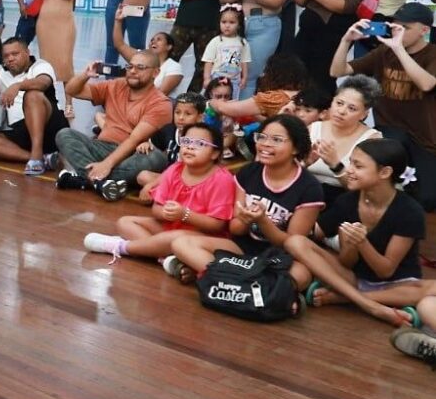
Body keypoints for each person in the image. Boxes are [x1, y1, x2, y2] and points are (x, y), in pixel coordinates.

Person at [167, 115, 323, 292]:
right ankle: (253, 289)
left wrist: (263, 221)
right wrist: (244, 219)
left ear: (296, 147)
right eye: (261, 137)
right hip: (240, 250)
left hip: (279, 257)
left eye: (277, 140)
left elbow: (292, 244)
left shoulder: (309, 187)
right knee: (181, 244)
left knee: (301, 275)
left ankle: (220, 279)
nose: (265, 144)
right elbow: (235, 229)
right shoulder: (249, 172)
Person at [285, 139, 430, 328]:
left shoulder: (410, 211)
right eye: (351, 163)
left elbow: (385, 271)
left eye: (358, 166)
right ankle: (369, 305)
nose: (349, 171)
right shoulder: (347, 201)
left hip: (397, 285)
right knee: (295, 242)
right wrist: (349, 247)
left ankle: (344, 297)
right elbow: (341, 259)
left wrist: (362, 243)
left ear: (385, 172)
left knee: (429, 289)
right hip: (354, 279)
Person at [333, 3, 436, 210]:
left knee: (428, 199)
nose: (399, 31)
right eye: (396, 26)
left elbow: (427, 84)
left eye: (406, 28)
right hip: (389, 132)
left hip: (424, 138)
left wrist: (398, 49)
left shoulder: (432, 54)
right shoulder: (384, 52)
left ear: (424, 30)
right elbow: (337, 71)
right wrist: (346, 41)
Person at [83, 123, 235, 263]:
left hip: (203, 236)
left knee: (174, 237)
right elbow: (156, 209)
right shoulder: (175, 169)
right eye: (186, 141)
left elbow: (217, 225)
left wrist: (185, 215)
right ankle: (165, 258)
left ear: (215, 153)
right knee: (125, 222)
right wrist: (166, 213)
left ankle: (122, 247)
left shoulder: (222, 179)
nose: (190, 147)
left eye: (199, 144)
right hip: (172, 226)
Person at [55, 50, 172, 200]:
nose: (133, 71)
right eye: (130, 67)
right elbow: (71, 90)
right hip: (103, 147)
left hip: (133, 154)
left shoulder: (161, 103)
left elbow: (134, 140)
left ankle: (86, 180)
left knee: (154, 158)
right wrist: (85, 75)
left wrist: (107, 164)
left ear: (155, 73)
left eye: (140, 67)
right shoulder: (116, 85)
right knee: (65, 134)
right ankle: (100, 183)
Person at [0, 37, 66, 175]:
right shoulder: (1, 73)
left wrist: (18, 86)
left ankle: (36, 155)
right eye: (6, 56)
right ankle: (42, 159)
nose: (10, 59)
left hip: (49, 124)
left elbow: (43, 83)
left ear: (27, 52)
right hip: (19, 129)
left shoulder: (40, 65)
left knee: (32, 94)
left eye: (15, 54)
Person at [306, 76, 383, 207]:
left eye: (351, 108)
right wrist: (305, 163)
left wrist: (336, 165)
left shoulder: (371, 139)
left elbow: (365, 189)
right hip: (306, 193)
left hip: (344, 201)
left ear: (364, 114)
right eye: (339, 103)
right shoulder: (313, 128)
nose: (341, 111)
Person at [35, 0, 86, 108]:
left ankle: (69, 102)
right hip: (45, 21)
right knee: (46, 62)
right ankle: (47, 101)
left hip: (64, 22)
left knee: (65, 63)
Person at [135, 92, 207, 203]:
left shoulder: (203, 137)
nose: (181, 117)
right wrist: (146, 145)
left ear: (200, 117)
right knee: (143, 176)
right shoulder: (168, 129)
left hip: (193, 182)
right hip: (170, 179)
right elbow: (153, 145)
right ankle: (173, 197)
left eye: (188, 114)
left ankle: (165, 196)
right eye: (177, 112)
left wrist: (151, 185)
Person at [110, 7, 182, 96]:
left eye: (159, 39)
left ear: (169, 47)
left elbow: (162, 92)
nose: (153, 42)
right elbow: (120, 45)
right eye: (152, 40)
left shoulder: (174, 67)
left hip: (155, 103)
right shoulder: (140, 57)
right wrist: (118, 21)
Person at [201, 5, 251, 96]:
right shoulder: (215, 41)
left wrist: (244, 78)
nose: (227, 25)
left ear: (239, 25)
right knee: (215, 98)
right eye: (224, 22)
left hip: (234, 79)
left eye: (232, 22)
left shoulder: (242, 42)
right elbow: (208, 61)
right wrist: (207, 78)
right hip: (217, 78)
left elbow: (244, 61)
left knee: (232, 100)